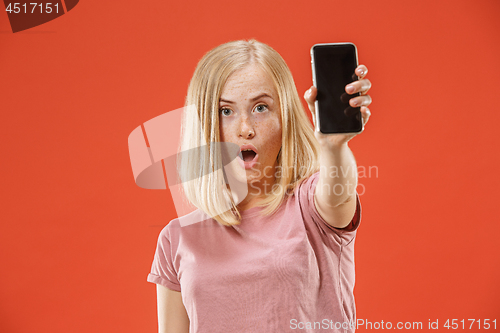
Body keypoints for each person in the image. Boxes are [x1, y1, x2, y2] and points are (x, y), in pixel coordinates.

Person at [147, 39, 372, 333]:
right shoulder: (176, 239)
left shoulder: (312, 209)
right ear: (205, 124)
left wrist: (333, 147)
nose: (245, 128)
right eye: (225, 111)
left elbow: (338, 192)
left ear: (285, 119)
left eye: (261, 107)